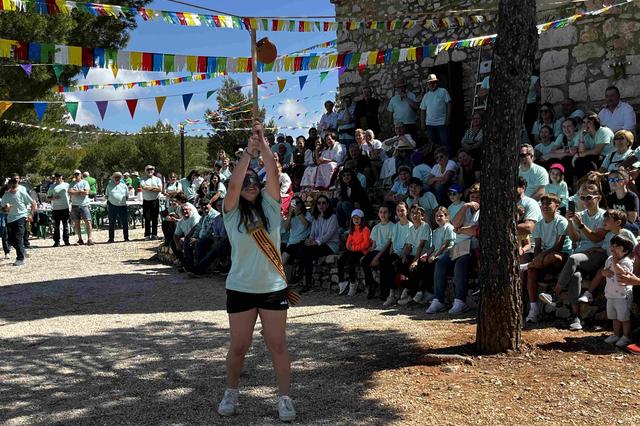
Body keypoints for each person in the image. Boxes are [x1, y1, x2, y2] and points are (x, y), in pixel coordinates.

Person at [217, 121, 296, 421]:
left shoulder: (272, 208)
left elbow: (274, 174)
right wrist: (247, 155)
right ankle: (231, 392)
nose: (250, 184)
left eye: (255, 181)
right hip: (240, 288)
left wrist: (263, 143)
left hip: (273, 287)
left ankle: (285, 398)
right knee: (239, 346)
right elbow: (234, 185)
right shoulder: (231, 213)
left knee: (277, 344)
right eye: (246, 181)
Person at [539, 183, 607, 331]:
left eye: (589, 197)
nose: (586, 201)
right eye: (583, 198)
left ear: (598, 198)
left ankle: (555, 294)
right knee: (575, 276)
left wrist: (582, 225)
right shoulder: (580, 215)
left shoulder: (603, 215)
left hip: (596, 255)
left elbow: (596, 239)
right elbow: (575, 238)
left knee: (573, 258)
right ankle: (577, 316)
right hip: (582, 254)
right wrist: (570, 222)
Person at [427, 183, 480, 315]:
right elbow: (454, 224)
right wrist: (465, 206)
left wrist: (461, 230)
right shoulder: (466, 208)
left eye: (477, 197)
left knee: (460, 264)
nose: (474, 200)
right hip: (459, 247)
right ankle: (438, 299)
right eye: (472, 197)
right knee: (441, 263)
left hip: (473, 249)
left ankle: (460, 301)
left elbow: (475, 231)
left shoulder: (483, 211)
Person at [524, 194, 571, 323]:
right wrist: (538, 257)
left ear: (557, 205)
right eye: (543, 204)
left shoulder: (561, 221)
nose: (545, 206)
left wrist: (539, 258)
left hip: (561, 256)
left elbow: (558, 246)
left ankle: (529, 265)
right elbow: (537, 246)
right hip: (544, 259)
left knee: (554, 257)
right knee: (531, 271)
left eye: (548, 203)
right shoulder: (538, 225)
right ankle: (533, 309)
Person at [576, 209, 637, 305]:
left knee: (621, 277)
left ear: (618, 222)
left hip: (624, 262)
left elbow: (635, 248)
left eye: (608, 219)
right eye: (604, 219)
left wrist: (631, 259)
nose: (604, 221)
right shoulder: (608, 235)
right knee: (600, 272)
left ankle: (625, 298)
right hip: (611, 261)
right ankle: (589, 293)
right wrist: (596, 249)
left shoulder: (626, 233)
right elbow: (605, 249)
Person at [297, 194, 340, 293]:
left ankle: (305, 280)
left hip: (330, 245)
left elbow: (329, 235)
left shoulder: (333, 218)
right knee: (302, 246)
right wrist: (309, 241)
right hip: (317, 244)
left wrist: (316, 242)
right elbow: (312, 234)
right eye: (319, 203)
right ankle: (305, 280)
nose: (321, 205)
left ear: (328, 205)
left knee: (307, 252)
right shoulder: (316, 218)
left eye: (324, 203)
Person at [414, 206, 456, 304]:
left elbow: (445, 245)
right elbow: (433, 247)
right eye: (436, 216)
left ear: (447, 217)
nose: (438, 218)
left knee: (432, 265)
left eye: (441, 216)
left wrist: (434, 256)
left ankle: (432, 293)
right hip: (437, 254)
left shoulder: (449, 227)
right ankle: (423, 291)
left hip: (446, 255)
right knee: (421, 264)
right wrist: (425, 255)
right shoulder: (436, 231)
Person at [601, 234, 635, 348]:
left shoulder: (626, 261)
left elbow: (623, 274)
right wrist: (604, 272)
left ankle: (626, 336)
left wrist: (615, 262)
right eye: (612, 245)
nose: (613, 248)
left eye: (617, 246)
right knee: (614, 317)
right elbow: (604, 271)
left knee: (624, 317)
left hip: (622, 295)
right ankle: (616, 334)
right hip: (610, 294)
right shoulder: (609, 259)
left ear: (625, 251)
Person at [397, 205, 432, 305]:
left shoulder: (425, 226)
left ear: (422, 216)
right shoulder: (411, 228)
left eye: (417, 213)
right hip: (414, 254)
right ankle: (408, 289)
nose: (414, 215)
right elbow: (408, 245)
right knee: (401, 264)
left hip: (423, 255)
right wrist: (404, 255)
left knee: (416, 266)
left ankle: (418, 292)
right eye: (412, 213)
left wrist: (415, 261)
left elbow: (421, 246)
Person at [382, 202, 413, 307]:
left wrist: (403, 254)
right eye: (398, 210)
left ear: (407, 211)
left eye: (402, 210)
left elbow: (409, 244)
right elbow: (392, 243)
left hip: (406, 252)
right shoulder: (395, 226)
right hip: (396, 252)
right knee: (386, 262)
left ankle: (399, 293)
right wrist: (391, 254)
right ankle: (391, 293)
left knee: (399, 265)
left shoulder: (411, 226)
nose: (400, 212)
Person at [361, 204, 395, 300]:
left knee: (384, 264)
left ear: (389, 214)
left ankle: (385, 292)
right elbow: (374, 245)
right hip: (377, 250)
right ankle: (371, 285)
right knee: (364, 261)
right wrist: (369, 255)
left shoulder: (393, 226)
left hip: (386, 250)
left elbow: (388, 244)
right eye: (381, 212)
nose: (383, 214)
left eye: (385, 212)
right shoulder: (376, 227)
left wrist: (376, 257)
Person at [0, 179, 36, 266]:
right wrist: (6, 208)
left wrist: (31, 215)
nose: (13, 186)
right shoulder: (6, 195)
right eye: (11, 184)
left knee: (18, 237)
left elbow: (33, 203)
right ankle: (22, 251)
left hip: (21, 217)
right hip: (10, 218)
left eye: (15, 184)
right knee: (11, 240)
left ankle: (20, 258)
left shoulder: (21, 193)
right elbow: (2, 209)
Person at [337, 209, 371, 297]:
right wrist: (349, 247)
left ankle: (353, 283)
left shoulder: (365, 229)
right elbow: (349, 242)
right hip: (352, 250)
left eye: (358, 218)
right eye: (354, 218)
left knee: (351, 261)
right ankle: (342, 282)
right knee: (341, 260)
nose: (356, 220)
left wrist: (354, 248)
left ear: (362, 219)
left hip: (362, 251)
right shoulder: (352, 230)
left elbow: (366, 244)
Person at [573, 113, 614, 179]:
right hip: (596, 158)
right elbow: (582, 151)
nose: (585, 125)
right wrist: (581, 136)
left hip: (608, 158)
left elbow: (597, 151)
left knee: (588, 162)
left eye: (588, 122)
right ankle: (581, 184)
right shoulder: (586, 135)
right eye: (584, 122)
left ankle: (591, 183)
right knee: (580, 161)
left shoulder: (603, 131)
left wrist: (579, 155)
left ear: (595, 123)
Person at [419, 74, 452, 146]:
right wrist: (422, 123)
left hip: (442, 122)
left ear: (436, 83)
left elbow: (449, 105)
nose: (431, 84)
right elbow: (422, 110)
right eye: (429, 83)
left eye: (433, 82)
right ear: (427, 84)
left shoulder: (443, 91)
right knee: (433, 144)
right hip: (430, 124)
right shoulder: (426, 96)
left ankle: (448, 156)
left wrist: (448, 119)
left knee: (445, 142)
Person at [281, 196, 313, 269]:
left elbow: (306, 225)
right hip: (291, 243)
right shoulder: (291, 217)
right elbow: (286, 228)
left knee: (288, 251)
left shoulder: (307, 214)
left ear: (301, 204)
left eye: (296, 203)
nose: (294, 205)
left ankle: (276, 272)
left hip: (301, 243)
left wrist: (298, 213)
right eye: (292, 203)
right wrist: (289, 215)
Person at [605, 167, 639, 234]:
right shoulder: (610, 197)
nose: (613, 182)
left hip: (631, 226)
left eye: (616, 179)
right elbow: (609, 215)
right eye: (611, 180)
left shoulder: (632, 197)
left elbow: (632, 220)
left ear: (625, 181)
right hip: (615, 224)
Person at [68, 169, 93, 246]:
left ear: (81, 174)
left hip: (84, 204)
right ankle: (80, 239)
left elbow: (86, 192)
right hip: (75, 205)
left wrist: (76, 192)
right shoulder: (71, 184)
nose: (76, 175)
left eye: (78, 174)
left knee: (88, 222)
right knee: (77, 222)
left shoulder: (85, 182)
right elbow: (70, 192)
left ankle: (89, 239)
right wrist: (80, 191)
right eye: (75, 174)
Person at [46, 172, 70, 247]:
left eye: (59, 177)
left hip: (65, 207)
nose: (58, 178)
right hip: (56, 208)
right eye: (56, 177)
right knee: (56, 226)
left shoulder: (67, 185)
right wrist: (53, 198)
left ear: (62, 177)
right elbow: (48, 197)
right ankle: (56, 241)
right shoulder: (52, 187)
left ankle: (66, 241)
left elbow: (71, 193)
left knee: (65, 225)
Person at [105, 172, 129, 243]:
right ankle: (111, 238)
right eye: (115, 177)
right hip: (112, 206)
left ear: (120, 178)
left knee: (125, 222)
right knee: (111, 223)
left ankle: (126, 238)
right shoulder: (109, 185)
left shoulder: (124, 186)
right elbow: (106, 195)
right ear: (113, 178)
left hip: (122, 206)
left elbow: (127, 196)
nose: (117, 178)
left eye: (118, 177)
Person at [141, 165, 163, 241]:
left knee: (155, 218)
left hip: (155, 200)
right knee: (147, 218)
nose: (150, 171)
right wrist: (154, 188)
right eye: (148, 169)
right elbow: (144, 187)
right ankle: (147, 235)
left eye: (151, 169)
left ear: (154, 171)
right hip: (146, 201)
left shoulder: (157, 179)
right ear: (145, 170)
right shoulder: (143, 179)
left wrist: (149, 188)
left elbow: (160, 189)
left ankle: (154, 234)